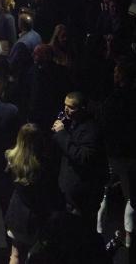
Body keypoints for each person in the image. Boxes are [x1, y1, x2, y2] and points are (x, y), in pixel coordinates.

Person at [5, 123, 61, 262]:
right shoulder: (43, 164)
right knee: (36, 257)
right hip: (36, 218)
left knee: (15, 255)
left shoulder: (11, 158)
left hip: (16, 214)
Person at [52, 90, 105, 226]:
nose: (66, 110)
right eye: (65, 105)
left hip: (81, 196)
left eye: (71, 107)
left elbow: (83, 157)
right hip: (69, 192)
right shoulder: (72, 123)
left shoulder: (90, 129)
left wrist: (62, 134)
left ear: (82, 108)